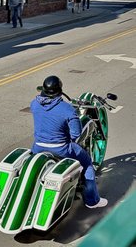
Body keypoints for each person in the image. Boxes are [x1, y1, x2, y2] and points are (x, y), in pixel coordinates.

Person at [30, 75, 108, 209]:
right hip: (61, 148)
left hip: (38, 146)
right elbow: (76, 134)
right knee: (87, 162)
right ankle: (92, 201)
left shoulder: (34, 103)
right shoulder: (67, 109)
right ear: (59, 90)